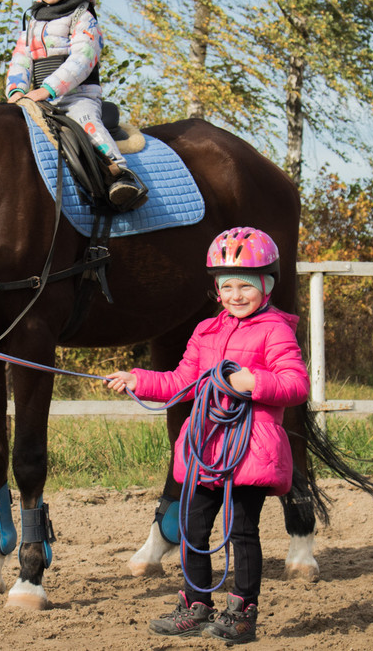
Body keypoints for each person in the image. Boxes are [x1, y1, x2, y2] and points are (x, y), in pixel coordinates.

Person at [104, 227, 309, 644]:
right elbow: (181, 380)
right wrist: (137, 380)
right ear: (216, 289)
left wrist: (257, 382)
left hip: (248, 451)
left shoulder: (275, 331)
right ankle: (196, 604)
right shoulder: (206, 331)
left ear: (267, 286)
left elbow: (296, 384)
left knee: (242, 531)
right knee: (192, 527)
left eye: (246, 286)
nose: (235, 295)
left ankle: (242, 612)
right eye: (227, 286)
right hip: (205, 450)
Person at [6, 0, 145, 210]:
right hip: (39, 100)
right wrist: (16, 89)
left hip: (76, 95)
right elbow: (21, 57)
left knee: (85, 120)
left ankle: (121, 175)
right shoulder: (32, 20)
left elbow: (83, 58)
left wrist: (47, 89)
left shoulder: (83, 15)